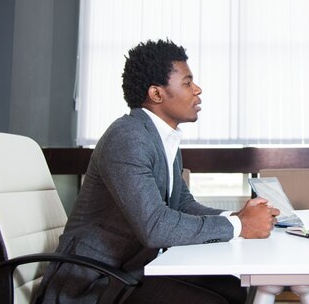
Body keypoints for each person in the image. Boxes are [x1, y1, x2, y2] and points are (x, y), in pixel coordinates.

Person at [39, 39, 279, 304]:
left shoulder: (163, 138)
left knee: (231, 287)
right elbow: (155, 227)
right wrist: (240, 225)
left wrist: (237, 216)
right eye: (187, 83)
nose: (197, 90)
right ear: (156, 94)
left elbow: (183, 205)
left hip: (130, 271)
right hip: (93, 284)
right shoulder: (127, 137)